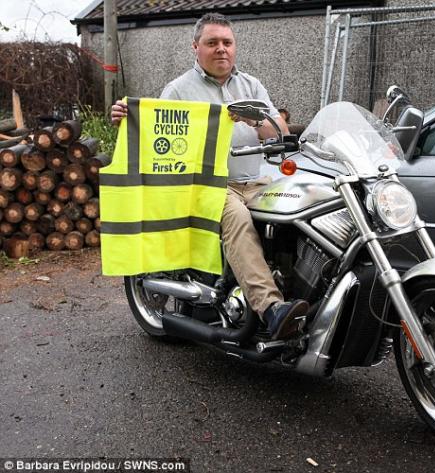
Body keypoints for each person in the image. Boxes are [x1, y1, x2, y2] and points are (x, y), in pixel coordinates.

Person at [110, 13, 307, 340]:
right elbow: (158, 136)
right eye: (212, 43)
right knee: (238, 219)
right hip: (206, 186)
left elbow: (280, 133)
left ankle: (301, 291)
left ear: (235, 47)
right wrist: (127, 119)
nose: (221, 50)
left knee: (299, 211)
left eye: (227, 43)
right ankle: (272, 310)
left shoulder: (251, 86)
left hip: (255, 180)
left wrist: (255, 120)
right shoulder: (178, 90)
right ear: (196, 47)